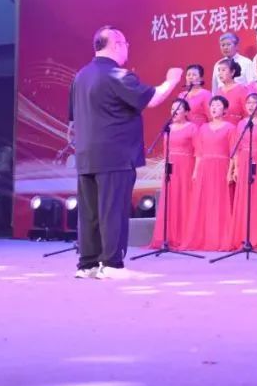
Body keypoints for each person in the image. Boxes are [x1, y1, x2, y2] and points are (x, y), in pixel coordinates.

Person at [69, 26, 182, 278]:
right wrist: (172, 79)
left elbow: (72, 118)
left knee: (89, 214)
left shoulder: (80, 76)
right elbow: (152, 98)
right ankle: (111, 264)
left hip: (86, 155)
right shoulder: (117, 75)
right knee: (113, 211)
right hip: (115, 155)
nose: (127, 48)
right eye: (126, 43)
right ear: (116, 45)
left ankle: (87, 264)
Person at [182, 96, 234, 252]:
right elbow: (199, 152)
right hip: (205, 167)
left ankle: (220, 238)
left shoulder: (230, 128)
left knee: (219, 203)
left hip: (222, 167)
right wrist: (195, 171)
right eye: (212, 105)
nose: (214, 108)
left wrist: (231, 171)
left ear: (225, 110)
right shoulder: (203, 128)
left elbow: (233, 153)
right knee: (204, 202)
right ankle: (204, 237)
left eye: (218, 105)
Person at [226, 93, 257, 250]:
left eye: (254, 103)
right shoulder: (242, 124)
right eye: (248, 102)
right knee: (245, 198)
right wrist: (236, 168)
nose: (250, 105)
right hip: (244, 161)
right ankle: (244, 236)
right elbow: (236, 148)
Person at [149, 99, 197, 250]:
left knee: (184, 198)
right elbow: (166, 151)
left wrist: (195, 171)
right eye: (172, 109)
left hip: (186, 167)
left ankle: (183, 236)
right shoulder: (168, 129)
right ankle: (168, 236)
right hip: (170, 168)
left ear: (186, 112)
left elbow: (198, 152)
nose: (174, 112)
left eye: (178, 109)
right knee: (170, 199)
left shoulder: (192, 128)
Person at [214, 59, 249, 126]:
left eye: (223, 70)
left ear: (232, 72)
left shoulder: (242, 90)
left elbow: (247, 113)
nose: (220, 73)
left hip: (237, 127)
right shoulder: (219, 91)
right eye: (219, 70)